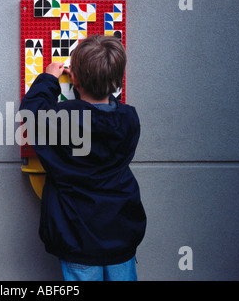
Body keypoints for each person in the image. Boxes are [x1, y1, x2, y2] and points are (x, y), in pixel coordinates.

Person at [19, 35, 146, 281]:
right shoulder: (129, 118)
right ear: (118, 81)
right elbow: (102, 119)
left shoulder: (63, 120)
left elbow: (31, 113)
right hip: (121, 234)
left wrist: (48, 79)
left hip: (77, 238)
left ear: (74, 78)